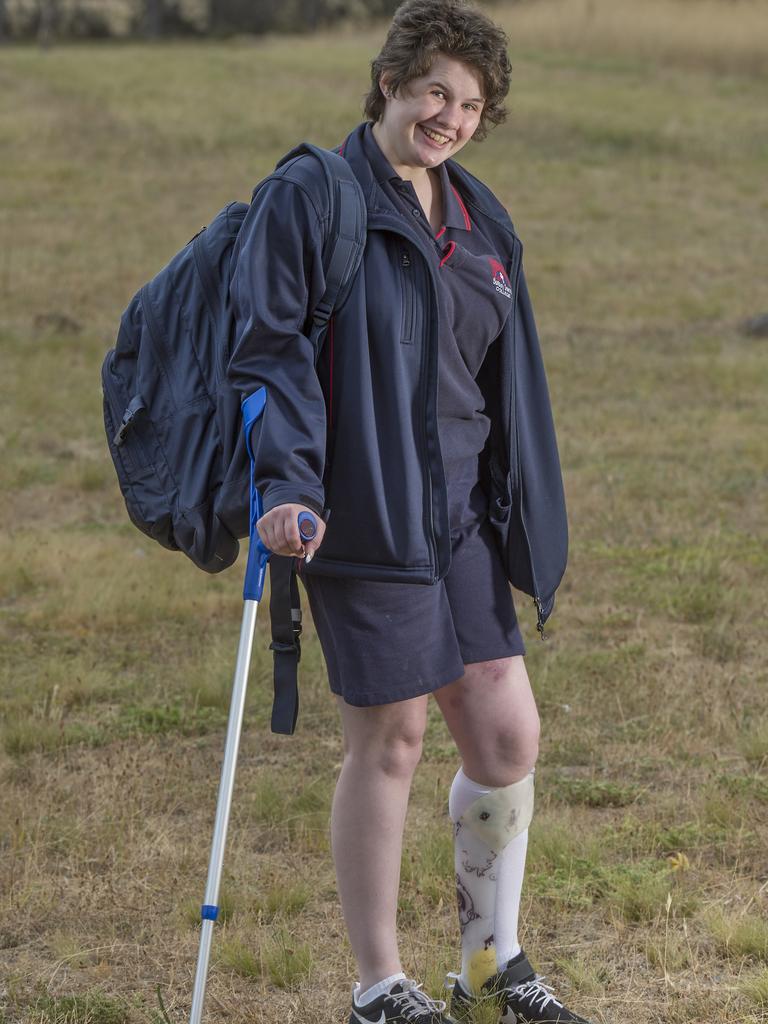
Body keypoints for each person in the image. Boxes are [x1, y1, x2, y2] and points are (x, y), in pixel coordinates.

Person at [229, 1, 585, 1022]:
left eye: (470, 101)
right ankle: (381, 982)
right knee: (391, 740)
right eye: (434, 88)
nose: (449, 113)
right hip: (362, 514)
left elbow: (504, 376)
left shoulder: (478, 217)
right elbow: (271, 353)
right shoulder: (312, 196)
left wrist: (521, 507)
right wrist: (289, 484)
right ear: (387, 82)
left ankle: (490, 957)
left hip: (462, 513)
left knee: (508, 737)